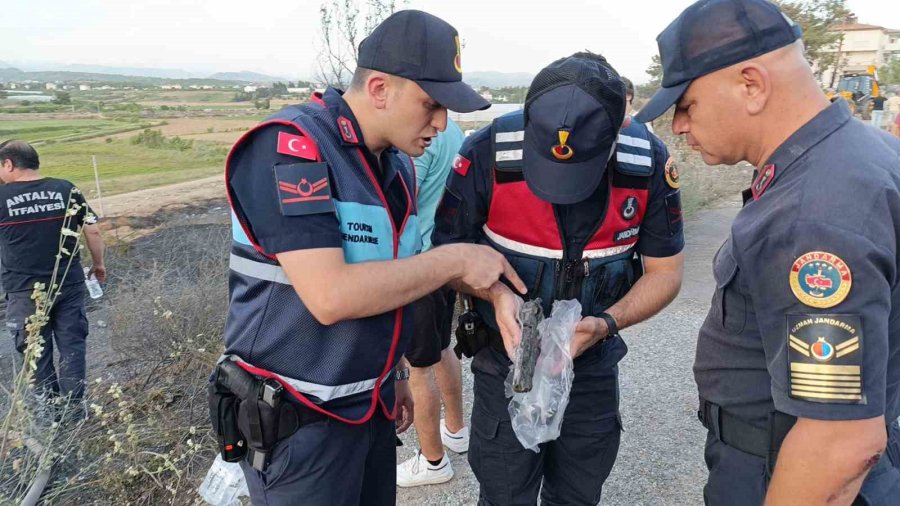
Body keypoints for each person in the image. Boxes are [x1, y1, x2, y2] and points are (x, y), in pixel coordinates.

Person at [215, 10, 526, 506]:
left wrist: (395, 374)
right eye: (431, 105)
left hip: (369, 408)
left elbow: (393, 278)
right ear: (380, 89)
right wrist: (455, 260)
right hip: (299, 426)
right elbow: (331, 296)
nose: (441, 123)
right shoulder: (291, 148)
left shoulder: (395, 165)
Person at [635, 0, 900, 504]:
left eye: (687, 105)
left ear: (751, 85)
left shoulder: (813, 211)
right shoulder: (861, 154)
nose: (680, 127)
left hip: (785, 471)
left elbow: (839, 442)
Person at [433, 52, 685, 505]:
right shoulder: (487, 151)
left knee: (577, 495)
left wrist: (605, 324)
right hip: (503, 364)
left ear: (619, 130)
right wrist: (495, 293)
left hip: (591, 366)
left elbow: (665, 273)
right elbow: (446, 257)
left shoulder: (647, 162)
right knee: (503, 494)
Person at [0, 140, 105, 411]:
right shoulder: (66, 188)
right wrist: (98, 264)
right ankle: (75, 412)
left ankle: (50, 413)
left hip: (24, 291)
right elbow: (92, 230)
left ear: (8, 163)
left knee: (35, 352)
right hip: (68, 283)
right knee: (72, 347)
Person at [396, 118, 469, 487]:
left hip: (418, 264)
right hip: (443, 257)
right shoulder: (451, 130)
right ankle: (456, 430)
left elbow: (402, 202)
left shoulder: (415, 139)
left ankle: (434, 461)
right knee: (442, 349)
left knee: (419, 367)